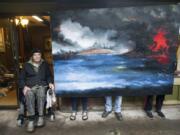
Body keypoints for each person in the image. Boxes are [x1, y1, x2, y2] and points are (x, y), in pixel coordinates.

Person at [19, 48, 54, 132]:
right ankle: (31, 119)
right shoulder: (26, 65)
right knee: (29, 94)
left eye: (39, 55)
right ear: (32, 56)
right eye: (35, 55)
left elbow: (49, 76)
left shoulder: (44, 64)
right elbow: (21, 78)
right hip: (30, 86)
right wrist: (24, 86)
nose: (37, 56)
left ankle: (41, 116)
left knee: (41, 93)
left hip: (42, 85)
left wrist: (50, 83)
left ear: (41, 55)